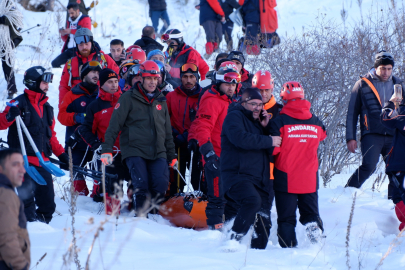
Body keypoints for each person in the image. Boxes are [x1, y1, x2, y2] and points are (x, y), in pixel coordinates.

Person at [100, 61, 177, 216]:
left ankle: (154, 218)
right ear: (141, 78)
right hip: (134, 148)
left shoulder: (161, 100)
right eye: (149, 78)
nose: (152, 82)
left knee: (160, 184)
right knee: (141, 182)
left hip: (158, 150)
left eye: (155, 79)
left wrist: (171, 154)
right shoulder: (127, 98)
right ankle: (140, 217)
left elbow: (167, 132)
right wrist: (107, 149)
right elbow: (114, 126)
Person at [0, 66, 68, 224]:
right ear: (33, 82)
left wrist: (62, 155)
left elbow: (51, 137)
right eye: (44, 82)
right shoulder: (18, 103)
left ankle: (43, 228)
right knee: (27, 202)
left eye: (48, 82)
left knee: (48, 203)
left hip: (41, 162)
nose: (47, 85)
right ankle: (28, 230)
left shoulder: (47, 108)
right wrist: (10, 115)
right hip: (21, 162)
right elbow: (1, 123)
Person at [221, 88, 281, 249]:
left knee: (263, 221)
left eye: (260, 105)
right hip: (237, 175)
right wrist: (268, 140)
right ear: (243, 103)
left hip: (259, 179)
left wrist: (267, 126)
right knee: (251, 201)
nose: (257, 108)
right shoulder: (234, 116)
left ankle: (257, 257)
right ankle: (233, 240)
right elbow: (240, 139)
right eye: (253, 104)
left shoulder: (260, 123)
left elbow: (273, 146)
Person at [270, 81, 326, 248]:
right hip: (309, 177)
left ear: (285, 100)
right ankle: (315, 242)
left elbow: (273, 150)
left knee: (286, 219)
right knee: (311, 215)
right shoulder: (316, 121)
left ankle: (289, 250)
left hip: (285, 177)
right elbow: (323, 135)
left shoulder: (279, 122)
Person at [346, 51, 405, 200]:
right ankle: (347, 193)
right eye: (383, 68)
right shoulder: (363, 83)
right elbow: (352, 112)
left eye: (389, 69)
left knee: (395, 170)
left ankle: (394, 202)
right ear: (376, 67)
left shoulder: (398, 85)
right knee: (369, 166)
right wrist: (350, 138)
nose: (386, 72)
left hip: (393, 134)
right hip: (371, 133)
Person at [188, 65, 241, 229]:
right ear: (219, 82)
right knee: (217, 197)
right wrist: (208, 153)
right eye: (228, 83)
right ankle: (214, 231)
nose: (231, 87)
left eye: (234, 83)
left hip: (231, 159)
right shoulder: (212, 101)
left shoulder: (232, 102)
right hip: (216, 158)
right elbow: (202, 127)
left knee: (233, 198)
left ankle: (230, 229)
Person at [78, 69, 130, 213]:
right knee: (113, 188)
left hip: (131, 151)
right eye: (109, 82)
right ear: (101, 84)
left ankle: (138, 217)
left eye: (115, 81)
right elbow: (85, 129)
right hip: (110, 154)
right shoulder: (95, 106)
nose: (114, 85)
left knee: (139, 183)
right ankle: (112, 218)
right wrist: (96, 145)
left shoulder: (127, 99)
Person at [58, 61, 101, 196]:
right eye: (93, 72)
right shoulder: (72, 94)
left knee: (99, 178)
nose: (96, 75)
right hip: (77, 143)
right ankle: (79, 207)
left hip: (96, 143)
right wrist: (77, 117)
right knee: (77, 179)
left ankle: (98, 200)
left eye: (98, 72)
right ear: (84, 75)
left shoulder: (102, 93)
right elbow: (61, 116)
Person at [58, 28, 119, 107]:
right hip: (78, 106)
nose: (84, 47)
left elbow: (118, 79)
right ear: (76, 45)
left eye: (87, 44)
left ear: (92, 43)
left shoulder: (105, 60)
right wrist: (63, 107)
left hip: (102, 105)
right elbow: (64, 87)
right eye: (81, 45)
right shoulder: (71, 64)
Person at [166, 63, 202, 195]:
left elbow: (203, 120)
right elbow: (163, 118)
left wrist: (188, 136)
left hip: (195, 143)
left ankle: (201, 200)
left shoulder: (202, 97)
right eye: (185, 76)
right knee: (176, 177)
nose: (188, 80)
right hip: (176, 143)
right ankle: (175, 198)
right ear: (180, 78)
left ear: (197, 78)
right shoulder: (171, 96)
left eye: (192, 76)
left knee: (196, 177)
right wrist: (172, 133)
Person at [0, 149, 30, 270]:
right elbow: (6, 236)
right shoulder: (6, 195)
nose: (23, 170)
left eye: (22, 164)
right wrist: (20, 265)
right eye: (15, 165)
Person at [380, 92, 405, 231]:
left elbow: (385, 119)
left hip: (399, 162)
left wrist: (390, 104)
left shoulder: (400, 113)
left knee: (399, 194)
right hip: (399, 162)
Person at [252, 70, 282, 181]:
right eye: (260, 90)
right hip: (250, 166)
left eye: (267, 90)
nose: (264, 94)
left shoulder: (280, 110)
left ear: (272, 89)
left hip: (273, 168)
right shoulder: (246, 108)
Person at [52, 2, 92, 68]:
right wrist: (63, 33)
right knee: (54, 63)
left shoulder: (85, 19)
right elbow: (66, 39)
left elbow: (86, 33)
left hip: (79, 49)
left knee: (76, 66)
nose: (70, 15)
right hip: (69, 49)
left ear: (78, 11)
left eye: (72, 13)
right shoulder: (69, 21)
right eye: (69, 13)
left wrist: (71, 31)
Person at [0, 3, 23, 99]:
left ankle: (12, 89)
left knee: (7, 65)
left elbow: (13, 17)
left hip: (7, 40)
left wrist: (3, 19)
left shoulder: (8, 4)